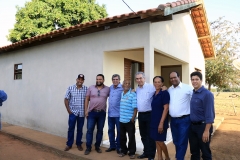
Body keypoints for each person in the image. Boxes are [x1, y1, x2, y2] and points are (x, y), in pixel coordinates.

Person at [189, 71, 215, 160]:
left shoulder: (207, 94)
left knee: (205, 152)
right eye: (192, 79)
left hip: (203, 127)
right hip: (192, 127)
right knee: (194, 152)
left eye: (197, 79)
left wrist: (206, 130)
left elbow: (210, 114)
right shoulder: (193, 93)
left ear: (201, 80)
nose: (194, 81)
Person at [168, 71, 193, 160]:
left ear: (179, 77)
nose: (173, 79)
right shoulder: (169, 90)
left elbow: (194, 101)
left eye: (175, 77)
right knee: (176, 141)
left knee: (182, 141)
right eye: (171, 78)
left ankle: (179, 158)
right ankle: (179, 156)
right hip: (173, 120)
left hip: (184, 120)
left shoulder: (187, 88)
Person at [84, 74, 110, 155]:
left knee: (100, 131)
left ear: (103, 80)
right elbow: (87, 99)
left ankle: (97, 146)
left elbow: (115, 94)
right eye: (97, 79)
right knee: (89, 130)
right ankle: (88, 147)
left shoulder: (108, 89)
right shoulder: (91, 88)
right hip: (92, 113)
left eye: (100, 79)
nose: (98, 80)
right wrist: (86, 110)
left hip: (102, 113)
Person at [63, 74, 88, 151]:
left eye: (82, 80)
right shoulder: (70, 88)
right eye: (79, 79)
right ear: (76, 79)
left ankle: (78, 144)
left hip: (81, 113)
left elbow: (87, 100)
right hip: (72, 113)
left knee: (80, 129)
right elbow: (66, 99)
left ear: (83, 81)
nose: (80, 81)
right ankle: (69, 144)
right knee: (71, 129)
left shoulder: (86, 89)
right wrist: (68, 110)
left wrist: (86, 110)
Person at [135, 72, 156, 160]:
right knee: (143, 135)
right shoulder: (137, 89)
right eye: (137, 79)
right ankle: (146, 152)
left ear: (144, 78)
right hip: (141, 115)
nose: (139, 80)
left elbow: (158, 93)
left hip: (149, 114)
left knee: (150, 135)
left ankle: (151, 155)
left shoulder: (151, 87)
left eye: (140, 78)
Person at [150, 76, 170, 160]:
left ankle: (167, 157)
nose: (157, 84)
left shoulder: (164, 93)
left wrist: (161, 123)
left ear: (162, 83)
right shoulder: (154, 94)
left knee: (160, 141)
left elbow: (166, 108)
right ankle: (159, 157)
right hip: (153, 120)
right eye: (155, 82)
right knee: (156, 140)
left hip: (161, 121)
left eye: (159, 82)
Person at [118, 80, 137, 159]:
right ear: (122, 85)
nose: (127, 85)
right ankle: (123, 151)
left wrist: (133, 119)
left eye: (129, 83)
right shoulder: (122, 93)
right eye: (125, 83)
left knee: (131, 137)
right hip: (121, 119)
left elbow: (135, 108)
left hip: (129, 120)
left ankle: (132, 152)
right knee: (122, 137)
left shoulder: (133, 94)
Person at [106, 74, 123, 154]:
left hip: (119, 115)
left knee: (119, 131)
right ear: (112, 80)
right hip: (110, 114)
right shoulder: (110, 88)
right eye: (114, 79)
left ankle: (118, 146)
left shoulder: (123, 88)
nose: (115, 81)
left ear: (119, 80)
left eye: (116, 79)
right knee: (110, 130)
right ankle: (112, 146)